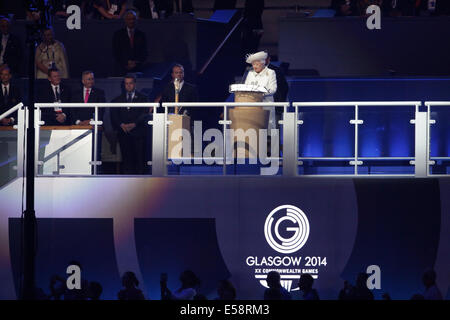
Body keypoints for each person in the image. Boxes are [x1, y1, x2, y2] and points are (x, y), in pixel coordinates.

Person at [110, 74, 150, 175]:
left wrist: (134, 124)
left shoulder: (143, 98)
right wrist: (121, 125)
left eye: (130, 83)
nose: (128, 86)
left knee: (140, 159)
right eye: (126, 83)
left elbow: (145, 113)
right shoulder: (116, 100)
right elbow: (114, 115)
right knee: (127, 159)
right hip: (124, 133)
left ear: (135, 84)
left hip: (138, 133)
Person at [244, 51, 277, 130]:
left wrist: (261, 94)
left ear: (262, 63)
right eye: (253, 64)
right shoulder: (250, 73)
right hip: (252, 106)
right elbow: (245, 88)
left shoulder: (271, 72)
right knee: (253, 129)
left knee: (267, 129)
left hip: (266, 105)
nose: (254, 66)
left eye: (257, 64)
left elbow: (273, 89)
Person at [112, 10, 148, 76]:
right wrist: (126, 63)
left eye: (133, 19)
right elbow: (116, 52)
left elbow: (144, 52)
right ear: (125, 20)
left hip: (137, 69)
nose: (131, 21)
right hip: (122, 69)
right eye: (129, 19)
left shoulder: (141, 35)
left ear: (136, 20)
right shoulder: (118, 35)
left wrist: (135, 62)